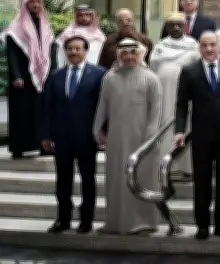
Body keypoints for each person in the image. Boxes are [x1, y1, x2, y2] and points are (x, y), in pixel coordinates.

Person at [174, 31, 220, 240]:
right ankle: (202, 225)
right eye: (205, 45)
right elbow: (181, 104)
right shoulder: (189, 70)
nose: (209, 49)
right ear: (200, 48)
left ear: (218, 46)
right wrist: (179, 130)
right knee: (201, 180)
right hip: (201, 135)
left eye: (212, 44)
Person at [92, 38, 161, 235]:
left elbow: (156, 111)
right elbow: (103, 106)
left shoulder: (151, 78)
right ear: (119, 55)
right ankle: (115, 222)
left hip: (143, 141)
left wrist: (150, 137)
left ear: (140, 54)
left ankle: (144, 222)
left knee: (142, 178)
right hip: (116, 139)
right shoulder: (110, 78)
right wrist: (97, 129)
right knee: (117, 178)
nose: (129, 57)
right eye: (125, 53)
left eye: (133, 53)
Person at [41, 36, 106, 234]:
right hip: (62, 138)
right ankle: (63, 219)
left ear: (85, 51)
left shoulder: (99, 74)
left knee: (88, 180)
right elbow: (46, 107)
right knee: (63, 181)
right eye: (70, 49)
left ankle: (86, 220)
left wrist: (103, 132)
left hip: (87, 138)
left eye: (78, 49)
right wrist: (45, 135)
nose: (73, 52)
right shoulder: (55, 76)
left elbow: (104, 107)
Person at [4, 0, 57, 158]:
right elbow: (12, 54)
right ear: (25, 5)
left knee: (43, 112)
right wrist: (16, 76)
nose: (36, 5)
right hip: (23, 79)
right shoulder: (16, 28)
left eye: (38, 2)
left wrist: (53, 74)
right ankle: (19, 147)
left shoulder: (46, 26)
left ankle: (43, 146)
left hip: (43, 76)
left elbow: (51, 52)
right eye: (32, 2)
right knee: (22, 113)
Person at [150, 13, 200, 176]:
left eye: (180, 24)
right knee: (165, 123)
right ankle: (165, 165)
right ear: (167, 27)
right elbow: (153, 67)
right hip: (164, 93)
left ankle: (185, 167)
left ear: (185, 26)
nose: (176, 27)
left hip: (187, 94)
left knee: (185, 125)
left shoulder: (193, 45)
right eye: (172, 24)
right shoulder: (160, 46)